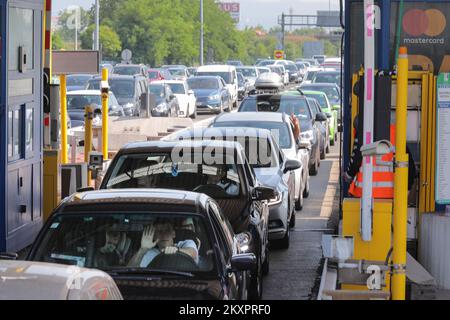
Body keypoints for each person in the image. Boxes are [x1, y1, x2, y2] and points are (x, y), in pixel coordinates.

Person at [128, 220, 199, 268]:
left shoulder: (185, 243)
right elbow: (129, 270)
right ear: (154, 236)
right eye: (159, 231)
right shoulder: (149, 253)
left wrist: (176, 250)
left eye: (167, 230)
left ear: (173, 234)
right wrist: (142, 250)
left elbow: (192, 253)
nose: (164, 235)